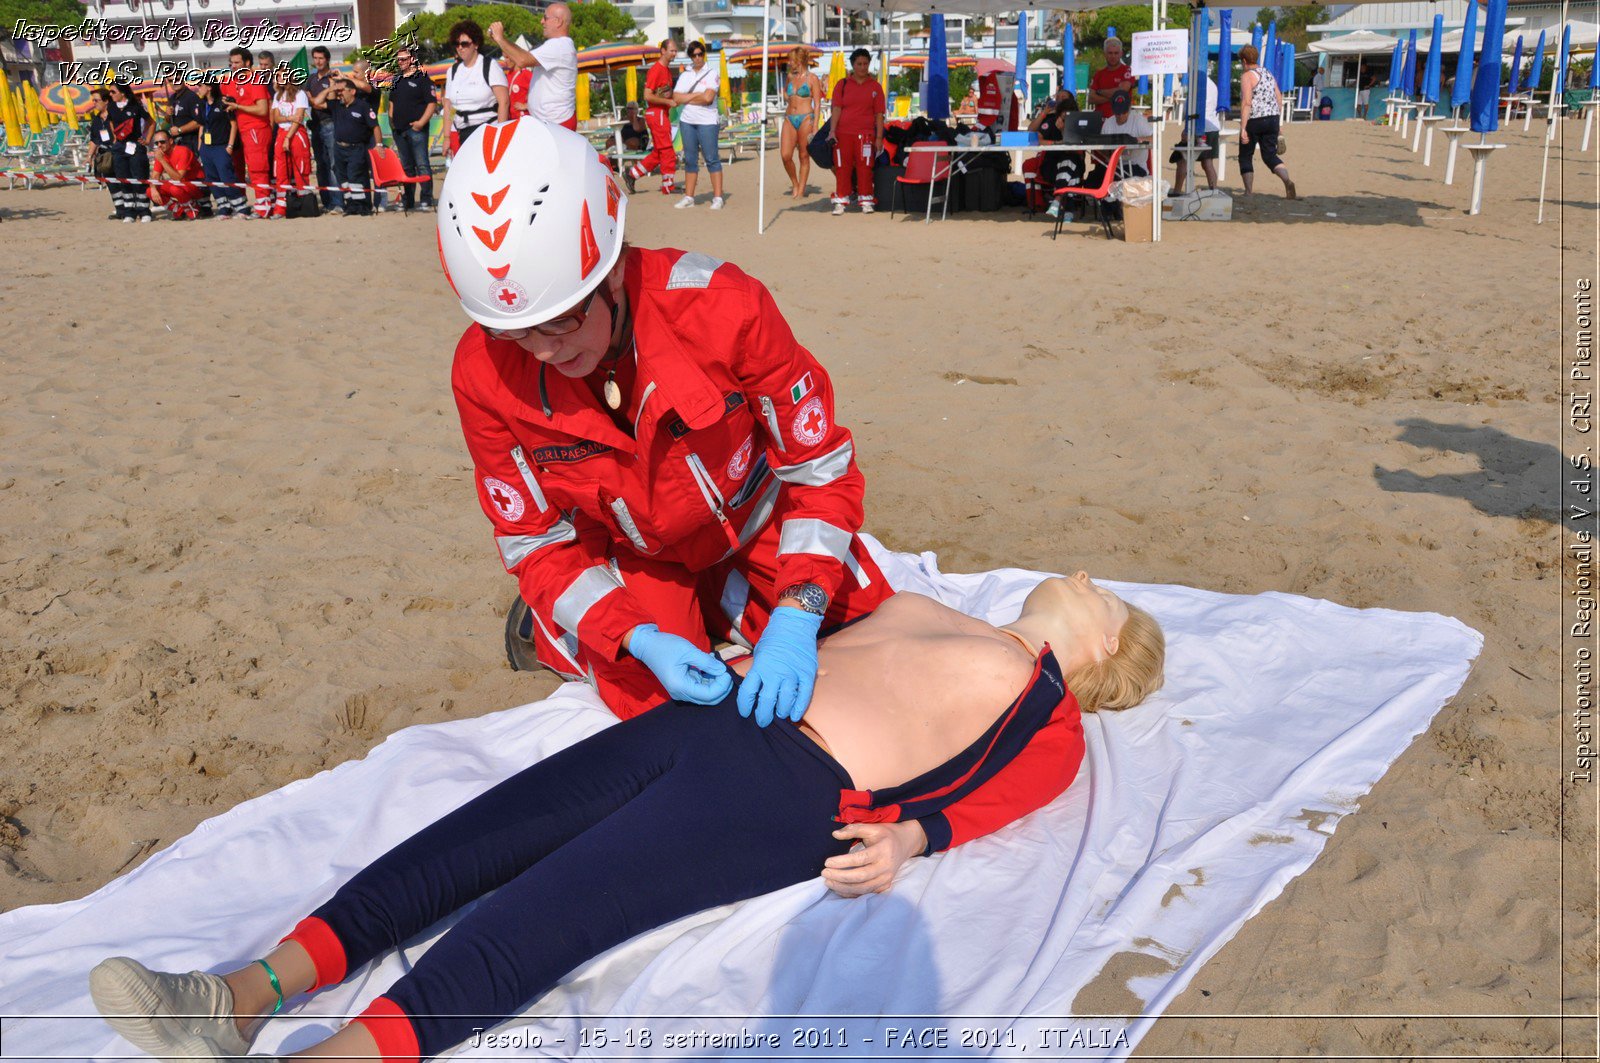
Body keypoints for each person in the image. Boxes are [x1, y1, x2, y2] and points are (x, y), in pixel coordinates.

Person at [88, 574, 1165, 1063]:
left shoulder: (1048, 708)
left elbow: (1011, 786)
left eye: (1105, 596)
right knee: (488, 832)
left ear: (1107, 649)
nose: (1084, 578)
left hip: (790, 784)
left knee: (560, 905)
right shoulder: (928, 601)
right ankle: (236, 993)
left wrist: (912, 835)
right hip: (721, 708)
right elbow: (804, 577)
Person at [444, 119, 894, 722]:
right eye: (513, 331)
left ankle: (727, 608)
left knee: (871, 638)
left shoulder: (722, 306)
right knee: (655, 706)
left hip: (754, 520)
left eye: (562, 320)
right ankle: (554, 629)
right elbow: (535, 541)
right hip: (638, 554)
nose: (544, 350)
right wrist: (633, 636)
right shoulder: (484, 371)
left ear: (613, 269)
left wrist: (797, 609)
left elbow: (821, 473)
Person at [490, 6, 578, 131]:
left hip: (556, 123)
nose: (542, 21)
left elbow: (522, 60)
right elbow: (523, 56)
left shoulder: (559, 45)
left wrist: (500, 38)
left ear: (558, 21)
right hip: (552, 122)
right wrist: (501, 41)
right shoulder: (560, 45)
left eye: (545, 18)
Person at [828, 48, 885, 216]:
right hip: (843, 133)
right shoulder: (842, 84)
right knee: (842, 167)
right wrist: (832, 131)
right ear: (853, 65)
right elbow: (836, 109)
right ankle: (841, 200)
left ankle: (866, 200)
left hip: (866, 134)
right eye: (859, 64)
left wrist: (879, 137)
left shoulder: (875, 87)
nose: (862, 67)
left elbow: (879, 114)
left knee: (865, 167)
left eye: (865, 63)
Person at [1236, 44, 1296, 199]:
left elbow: (1247, 102)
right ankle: (1287, 180)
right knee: (1269, 155)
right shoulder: (1268, 73)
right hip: (1273, 118)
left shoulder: (1247, 76)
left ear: (1244, 60)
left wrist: (1243, 128)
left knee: (1245, 155)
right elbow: (1279, 97)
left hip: (1255, 119)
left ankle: (1248, 192)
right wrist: (1278, 121)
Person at [441, 20, 509, 155]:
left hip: (488, 130)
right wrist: (447, 137)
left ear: (476, 44)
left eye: (465, 44)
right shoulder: (453, 71)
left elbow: (504, 102)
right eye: (457, 44)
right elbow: (450, 107)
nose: (460, 47)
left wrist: (500, 134)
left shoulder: (490, 66)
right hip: (463, 133)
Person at [221, 46, 273, 218]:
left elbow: (263, 109)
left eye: (237, 62)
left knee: (258, 169)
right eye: (231, 63)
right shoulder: (233, 81)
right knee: (248, 170)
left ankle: (263, 207)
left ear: (247, 63)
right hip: (242, 130)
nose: (233, 66)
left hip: (257, 128)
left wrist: (238, 106)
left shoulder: (255, 80)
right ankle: (255, 205)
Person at [623, 39, 679, 196]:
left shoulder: (667, 70)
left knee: (659, 152)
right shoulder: (657, 70)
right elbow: (648, 95)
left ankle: (632, 174)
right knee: (667, 150)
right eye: (672, 50)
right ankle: (668, 186)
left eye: (676, 51)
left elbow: (663, 93)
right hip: (657, 113)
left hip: (661, 113)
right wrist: (668, 101)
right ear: (662, 51)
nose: (674, 53)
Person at [673, 40, 724, 210]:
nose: (697, 58)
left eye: (700, 54)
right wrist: (697, 96)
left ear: (704, 54)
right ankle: (689, 197)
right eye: (694, 55)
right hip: (688, 121)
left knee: (711, 158)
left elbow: (708, 98)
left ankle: (717, 197)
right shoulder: (685, 74)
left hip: (708, 121)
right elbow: (676, 98)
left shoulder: (712, 72)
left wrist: (687, 96)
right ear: (690, 56)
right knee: (690, 160)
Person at [387, 44, 439, 214]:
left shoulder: (423, 78)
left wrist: (421, 123)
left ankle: (426, 199)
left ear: (412, 59)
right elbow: (392, 103)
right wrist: (392, 123)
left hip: (417, 129)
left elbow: (432, 103)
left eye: (403, 59)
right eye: (398, 59)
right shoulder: (396, 80)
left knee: (422, 164)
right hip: (399, 131)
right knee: (406, 168)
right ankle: (407, 201)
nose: (400, 62)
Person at [329, 78, 378, 216]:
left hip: (356, 148)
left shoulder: (362, 106)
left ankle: (363, 206)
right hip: (339, 148)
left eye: (342, 91)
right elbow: (319, 101)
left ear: (352, 91)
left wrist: (379, 145)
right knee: (343, 178)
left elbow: (375, 126)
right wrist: (333, 87)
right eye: (338, 91)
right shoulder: (337, 106)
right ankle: (350, 205)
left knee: (356, 176)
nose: (339, 94)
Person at [105, 81, 152, 223]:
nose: (110, 95)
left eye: (113, 92)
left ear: (122, 92)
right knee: (123, 178)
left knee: (139, 177)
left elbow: (151, 122)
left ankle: (144, 210)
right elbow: (110, 121)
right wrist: (114, 136)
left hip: (135, 145)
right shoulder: (112, 106)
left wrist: (147, 138)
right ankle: (129, 212)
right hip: (120, 147)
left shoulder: (135, 106)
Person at [268, 69, 313, 218]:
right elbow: (277, 118)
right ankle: (281, 208)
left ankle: (304, 204)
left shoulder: (300, 95)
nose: (279, 78)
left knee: (300, 168)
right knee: (280, 169)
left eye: (282, 75)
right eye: (277, 76)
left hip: (297, 133)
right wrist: (289, 118)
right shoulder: (278, 95)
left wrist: (288, 137)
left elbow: (299, 117)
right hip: (282, 132)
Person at [780, 46, 823, 198]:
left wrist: (816, 125)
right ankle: (795, 183)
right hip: (789, 118)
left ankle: (801, 189)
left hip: (806, 118)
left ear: (800, 61)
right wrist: (787, 96)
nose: (789, 63)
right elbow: (785, 92)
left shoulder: (812, 79)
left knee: (804, 156)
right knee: (785, 155)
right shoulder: (790, 77)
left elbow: (817, 104)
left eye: (791, 60)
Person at [305, 45, 342, 212]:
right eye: (315, 58)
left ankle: (338, 203)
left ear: (327, 59)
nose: (318, 61)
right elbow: (309, 101)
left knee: (334, 165)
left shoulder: (334, 78)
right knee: (321, 165)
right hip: (315, 126)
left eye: (321, 58)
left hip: (330, 125)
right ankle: (327, 203)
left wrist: (316, 101)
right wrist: (317, 102)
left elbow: (332, 103)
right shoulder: (311, 79)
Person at [1170, 75, 1220, 196]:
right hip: (1212, 125)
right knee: (1208, 162)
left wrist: (1188, 129)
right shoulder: (1211, 84)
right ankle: (1213, 191)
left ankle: (1177, 191)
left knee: (1183, 159)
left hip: (1199, 126)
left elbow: (1194, 108)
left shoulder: (1198, 84)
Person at [147, 129, 205, 219]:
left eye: (162, 142)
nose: (159, 145)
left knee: (175, 189)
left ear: (170, 141)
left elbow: (178, 178)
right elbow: (155, 176)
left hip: (197, 185)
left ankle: (193, 209)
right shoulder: (161, 154)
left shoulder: (183, 151)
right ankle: (179, 210)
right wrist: (153, 188)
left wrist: (162, 160)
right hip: (180, 184)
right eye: (156, 143)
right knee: (149, 191)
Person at [1099, 88, 1152, 177]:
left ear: (1129, 107)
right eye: (1117, 112)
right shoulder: (1108, 123)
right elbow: (1101, 147)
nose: (1121, 115)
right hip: (1114, 166)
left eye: (1124, 111)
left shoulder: (1138, 120)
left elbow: (1155, 137)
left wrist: (1138, 140)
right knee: (1093, 180)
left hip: (1136, 167)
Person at [1088, 37, 1135, 118]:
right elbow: (1091, 98)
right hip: (1100, 121)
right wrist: (1114, 97)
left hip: (1120, 121)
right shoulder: (1099, 74)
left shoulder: (1127, 70)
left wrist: (1099, 92)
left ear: (1121, 54)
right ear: (1105, 54)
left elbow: (1123, 90)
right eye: (1110, 53)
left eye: (1116, 53)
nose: (1113, 56)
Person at [163, 75, 202, 154]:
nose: (174, 82)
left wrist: (180, 130)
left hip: (191, 143)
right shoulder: (172, 98)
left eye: (177, 79)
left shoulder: (192, 97)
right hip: (177, 144)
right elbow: (168, 120)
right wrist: (167, 114)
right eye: (170, 81)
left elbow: (199, 121)